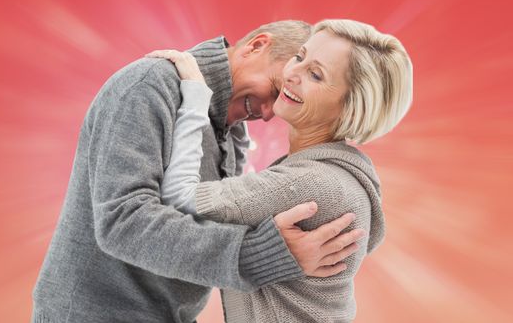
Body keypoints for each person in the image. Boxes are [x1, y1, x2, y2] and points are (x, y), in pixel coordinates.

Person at [32, 20, 366, 323]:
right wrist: (263, 254)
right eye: (276, 90)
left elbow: (199, 215)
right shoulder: (150, 86)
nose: (268, 113)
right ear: (257, 45)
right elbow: (123, 222)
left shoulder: (229, 126)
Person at [146, 18, 413, 322]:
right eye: (299, 56)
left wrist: (195, 95)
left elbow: (180, 198)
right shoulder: (339, 175)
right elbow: (242, 201)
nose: (292, 73)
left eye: (315, 74)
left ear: (350, 108)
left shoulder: (312, 184)